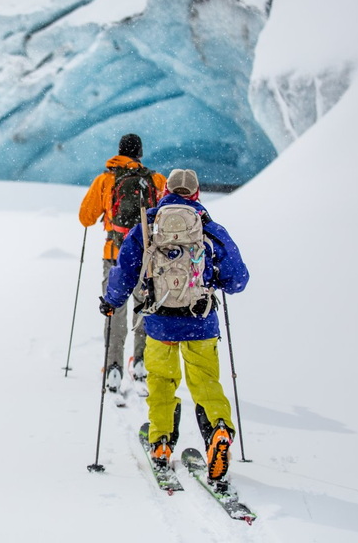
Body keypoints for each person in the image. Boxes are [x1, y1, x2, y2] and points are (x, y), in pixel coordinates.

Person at [99, 168, 249, 484]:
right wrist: (216, 278)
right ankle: (219, 431)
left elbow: (125, 270)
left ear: (165, 189)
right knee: (206, 383)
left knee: (162, 383)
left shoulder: (148, 225)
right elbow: (238, 280)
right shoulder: (209, 228)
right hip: (200, 322)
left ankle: (162, 444)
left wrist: (112, 301)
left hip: (160, 322)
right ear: (196, 194)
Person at [79, 134, 167, 394]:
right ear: (140, 153)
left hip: (115, 254)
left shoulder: (105, 180)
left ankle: (113, 366)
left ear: (119, 151)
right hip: (147, 256)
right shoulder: (156, 180)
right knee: (144, 305)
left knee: (115, 308)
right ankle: (141, 362)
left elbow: (86, 217)